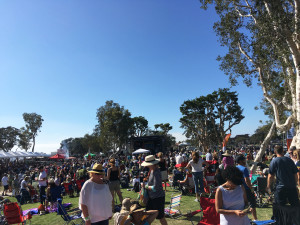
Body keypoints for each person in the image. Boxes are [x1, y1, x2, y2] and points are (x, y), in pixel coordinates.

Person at [141, 155, 168, 225]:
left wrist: (146, 186)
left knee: (161, 217)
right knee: (147, 214)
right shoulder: (152, 171)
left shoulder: (156, 172)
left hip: (158, 198)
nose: (147, 166)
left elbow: (155, 187)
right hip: (152, 197)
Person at [236, 155, 257, 221]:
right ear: (240, 161)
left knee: (242, 205)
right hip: (246, 189)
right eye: (243, 160)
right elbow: (247, 180)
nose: (245, 161)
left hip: (238, 189)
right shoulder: (244, 169)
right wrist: (251, 188)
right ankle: (255, 219)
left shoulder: (235, 168)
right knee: (252, 204)